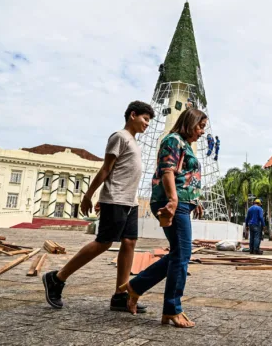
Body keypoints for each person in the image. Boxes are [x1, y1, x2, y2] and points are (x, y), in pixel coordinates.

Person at [42, 101, 154, 312]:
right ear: (133, 115)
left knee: (130, 242)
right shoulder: (119, 137)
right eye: (145, 119)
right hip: (116, 198)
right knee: (103, 242)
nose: (147, 124)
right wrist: (89, 195)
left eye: (149, 121)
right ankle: (57, 278)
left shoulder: (133, 142)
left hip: (130, 201)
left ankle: (120, 295)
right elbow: (106, 169)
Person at [119, 108, 207, 329]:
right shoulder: (173, 140)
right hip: (172, 202)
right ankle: (171, 309)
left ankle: (136, 287)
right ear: (190, 122)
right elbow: (167, 170)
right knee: (182, 254)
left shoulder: (185, 144)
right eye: (201, 126)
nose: (202, 132)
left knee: (179, 253)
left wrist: (195, 199)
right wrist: (174, 199)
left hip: (181, 202)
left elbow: (185, 176)